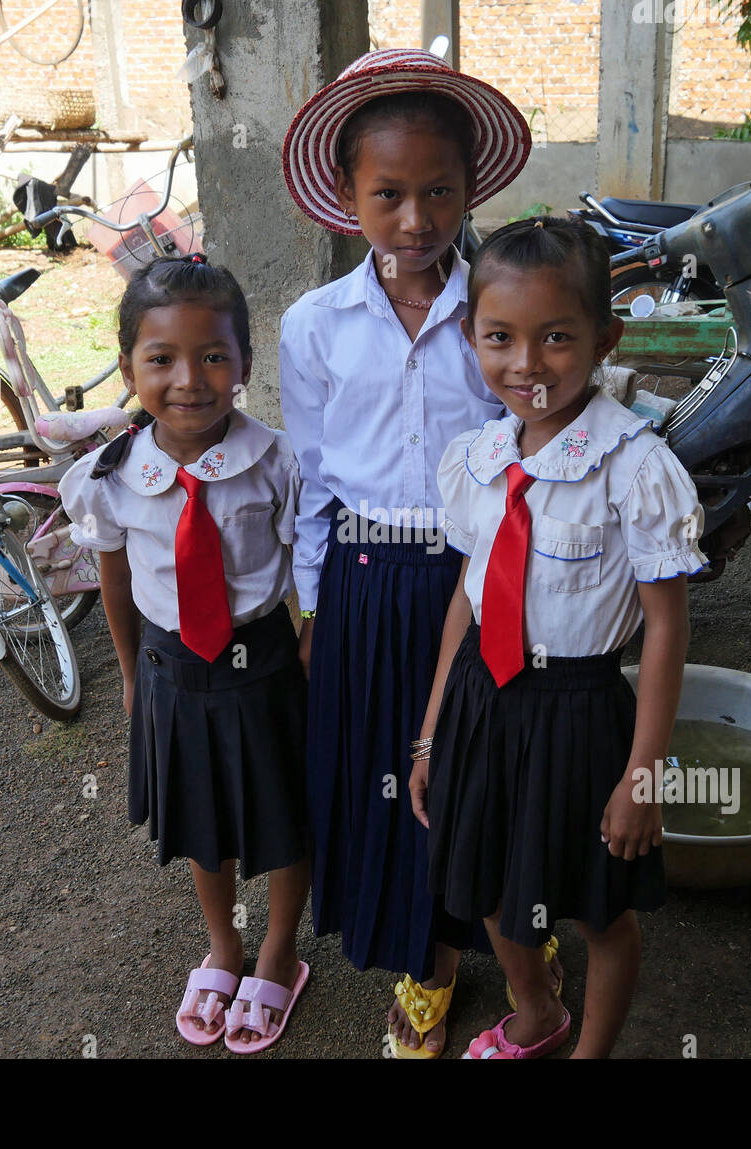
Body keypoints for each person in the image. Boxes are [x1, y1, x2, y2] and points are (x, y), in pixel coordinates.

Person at [279, 48, 553, 1058]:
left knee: (482, 768)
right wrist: (313, 611)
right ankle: (427, 960)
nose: (414, 218)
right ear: (347, 195)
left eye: (438, 191)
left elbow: (537, 439)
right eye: (387, 193)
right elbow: (312, 475)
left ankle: (519, 937)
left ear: (468, 189)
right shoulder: (314, 326)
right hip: (362, 583)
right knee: (391, 775)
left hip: (476, 580)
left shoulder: (495, 316)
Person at [409, 216, 707, 1059]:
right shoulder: (474, 459)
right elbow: (468, 604)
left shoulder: (637, 467)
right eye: (500, 337)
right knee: (493, 881)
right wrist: (430, 730)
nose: (527, 364)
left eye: (557, 338)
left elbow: (666, 623)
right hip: (480, 699)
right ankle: (537, 1013)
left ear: (605, 338)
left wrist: (643, 774)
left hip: (577, 713)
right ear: (470, 335)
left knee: (598, 905)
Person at [59, 253, 310, 1055]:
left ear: (243, 362)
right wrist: (132, 675)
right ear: (129, 362)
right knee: (203, 820)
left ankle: (278, 947)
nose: (188, 379)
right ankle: (224, 947)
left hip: (265, 666)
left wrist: (309, 651)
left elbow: (304, 566)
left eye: (213, 356)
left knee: (283, 814)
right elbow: (115, 570)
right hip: (171, 671)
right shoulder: (111, 476)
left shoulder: (275, 462)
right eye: (160, 358)